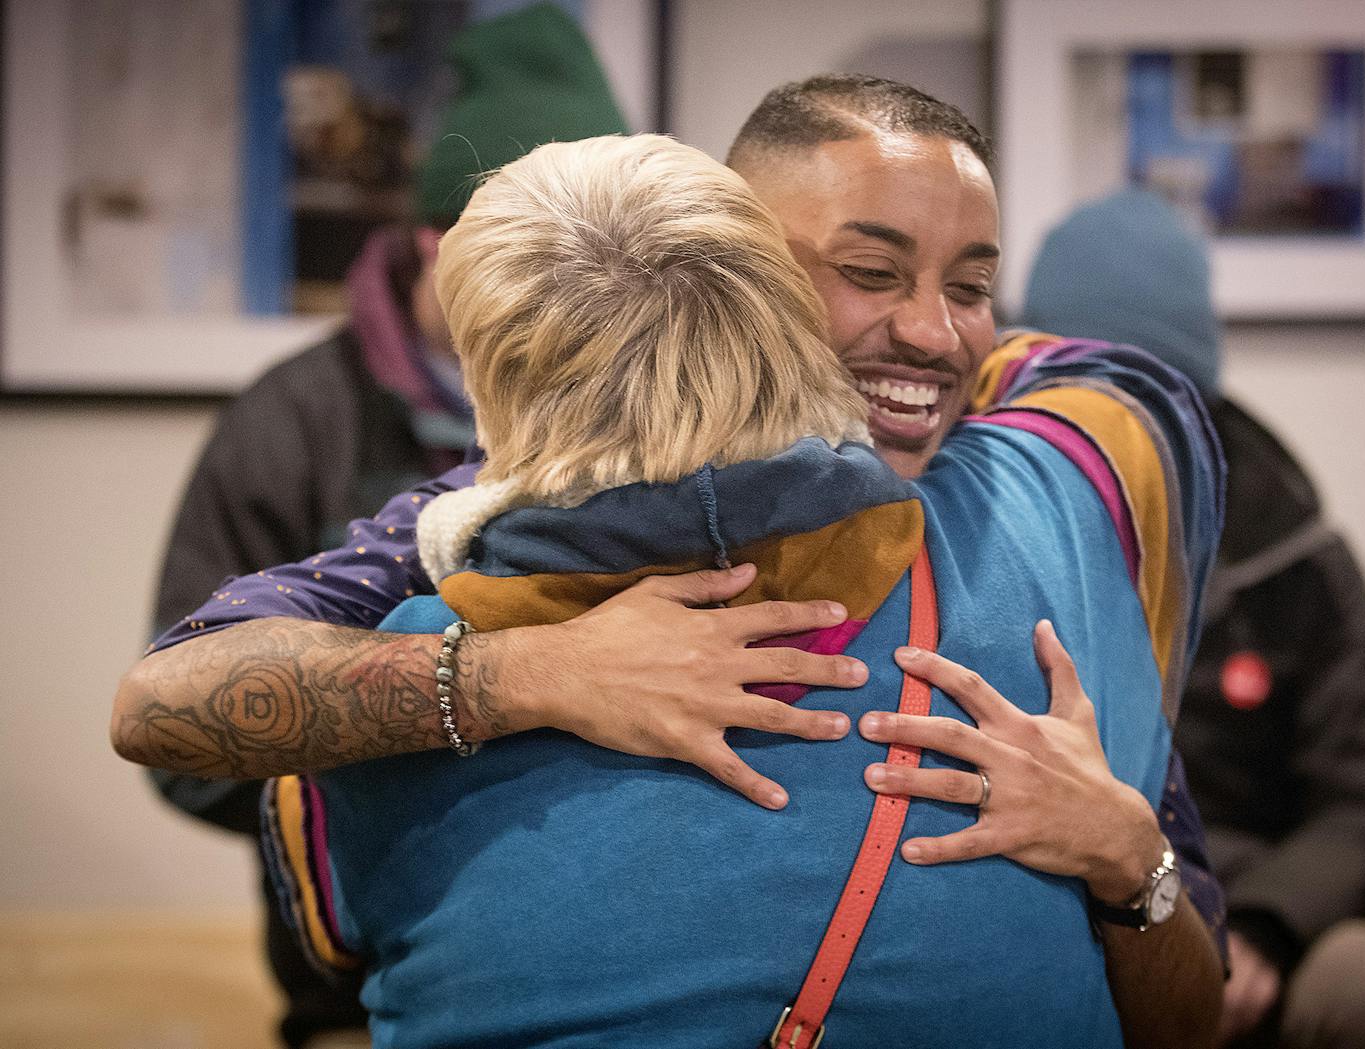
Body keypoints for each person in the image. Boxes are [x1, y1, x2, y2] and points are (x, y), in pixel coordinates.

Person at [114, 77, 1225, 1045]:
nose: (935, 333)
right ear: (733, 275)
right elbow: (164, 700)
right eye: (866, 271)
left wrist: (1129, 854)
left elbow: (1188, 1012)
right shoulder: (472, 542)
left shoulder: (1051, 517)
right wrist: (537, 672)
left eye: (971, 286)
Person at [145, 6, 629, 1046]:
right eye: (519, 256)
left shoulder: (646, 428)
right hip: (355, 996)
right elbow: (182, 740)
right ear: (431, 240)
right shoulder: (290, 422)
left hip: (608, 984)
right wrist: (436, 750)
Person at [1019, 187, 1365, 1048]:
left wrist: (1268, 926)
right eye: (1086, 392)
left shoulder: (1296, 554)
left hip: (1251, 892)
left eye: (1151, 394)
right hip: (1035, 885)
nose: (1118, 428)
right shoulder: (973, 513)